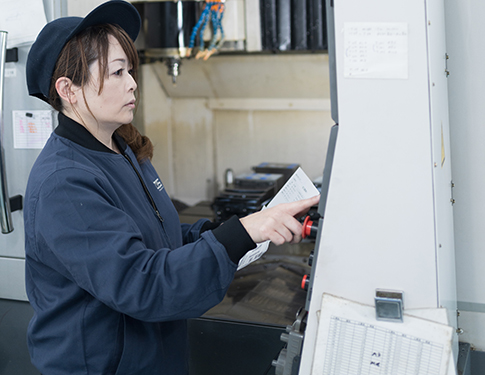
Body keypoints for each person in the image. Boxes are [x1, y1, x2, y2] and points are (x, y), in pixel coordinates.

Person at [23, 1, 320, 374]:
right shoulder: (63, 183)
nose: (133, 83)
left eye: (130, 70)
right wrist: (236, 236)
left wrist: (237, 231)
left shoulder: (121, 150)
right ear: (68, 89)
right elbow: (142, 283)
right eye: (117, 73)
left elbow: (156, 239)